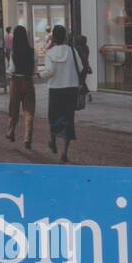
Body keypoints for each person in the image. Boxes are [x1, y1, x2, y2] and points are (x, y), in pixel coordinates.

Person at [39, 25, 84, 163]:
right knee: (68, 119)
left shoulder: (51, 53)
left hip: (56, 89)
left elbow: (50, 71)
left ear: (53, 38)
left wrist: (40, 74)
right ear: (65, 37)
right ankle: (64, 152)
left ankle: (53, 141)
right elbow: (81, 68)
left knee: (53, 117)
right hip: (71, 89)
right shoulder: (72, 51)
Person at [4, 25, 36, 149]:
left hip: (15, 81)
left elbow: (11, 69)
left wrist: (9, 72)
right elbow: (35, 69)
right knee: (29, 111)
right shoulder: (32, 51)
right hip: (28, 81)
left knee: (14, 108)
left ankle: (11, 131)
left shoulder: (13, 51)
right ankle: (27, 138)